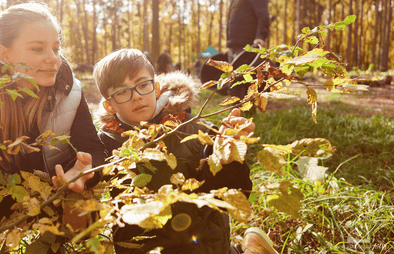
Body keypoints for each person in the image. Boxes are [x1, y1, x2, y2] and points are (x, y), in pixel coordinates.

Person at [0, 2, 107, 252]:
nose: (53, 59)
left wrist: (87, 171)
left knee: (83, 213)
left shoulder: (69, 92)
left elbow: (91, 147)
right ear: (5, 54)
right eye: (37, 48)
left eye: (56, 48)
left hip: (55, 200)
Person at [92, 49, 278, 254]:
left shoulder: (194, 131)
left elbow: (235, 197)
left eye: (142, 85)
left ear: (155, 88)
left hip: (202, 246)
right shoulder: (104, 145)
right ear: (109, 106)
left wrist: (226, 163)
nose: (136, 96)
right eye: (122, 91)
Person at [225, 0, 270, 99]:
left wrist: (260, 36)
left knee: (245, 85)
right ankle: (236, 117)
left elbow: (263, 16)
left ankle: (247, 116)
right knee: (235, 86)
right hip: (235, 48)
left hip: (249, 48)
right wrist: (230, 45)